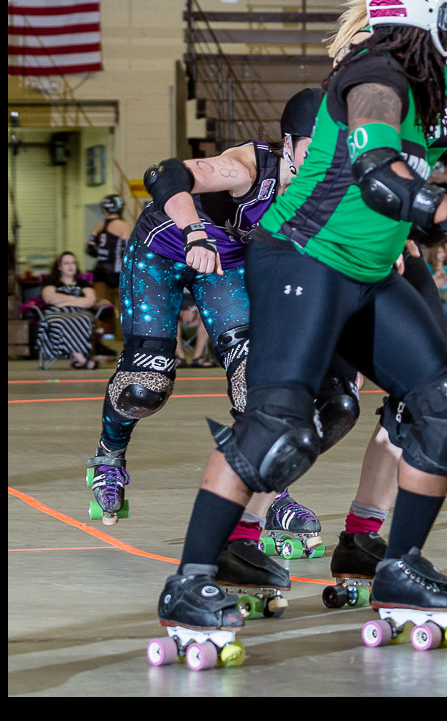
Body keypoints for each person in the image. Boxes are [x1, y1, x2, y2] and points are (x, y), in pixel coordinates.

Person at [156, 0, 447, 636]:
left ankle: (401, 565)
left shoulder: (423, 78)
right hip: (302, 259)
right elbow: (378, 172)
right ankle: (193, 580)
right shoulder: (377, 70)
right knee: (277, 431)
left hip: (369, 271)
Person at [88, 88, 330, 575]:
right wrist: (197, 231)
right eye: (314, 146)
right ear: (287, 144)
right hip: (166, 247)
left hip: (225, 267)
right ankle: (108, 455)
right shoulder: (246, 167)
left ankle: (271, 494)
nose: (326, 157)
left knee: (254, 378)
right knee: (145, 386)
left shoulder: (323, 187)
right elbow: (163, 173)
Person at [320, 0, 447, 591]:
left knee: (421, 405)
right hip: (348, 248)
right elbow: (353, 160)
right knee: (315, 409)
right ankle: (236, 540)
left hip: (396, 244)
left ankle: (369, 540)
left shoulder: (432, 49)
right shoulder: (374, 52)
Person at [37, 251, 101, 369]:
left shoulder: (83, 283)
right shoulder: (52, 282)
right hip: (57, 313)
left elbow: (90, 301)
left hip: (80, 312)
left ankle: (78, 358)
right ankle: (81, 358)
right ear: (59, 267)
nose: (71, 266)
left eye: (73, 263)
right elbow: (49, 298)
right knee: (60, 321)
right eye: (66, 263)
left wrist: (64, 301)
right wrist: (77, 298)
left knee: (84, 318)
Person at [87, 193, 131, 348]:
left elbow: (90, 249)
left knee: (100, 307)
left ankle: (97, 341)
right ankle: (124, 342)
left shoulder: (100, 225)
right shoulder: (123, 225)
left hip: (99, 269)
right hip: (116, 271)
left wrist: (103, 253)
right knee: (124, 308)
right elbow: (127, 251)